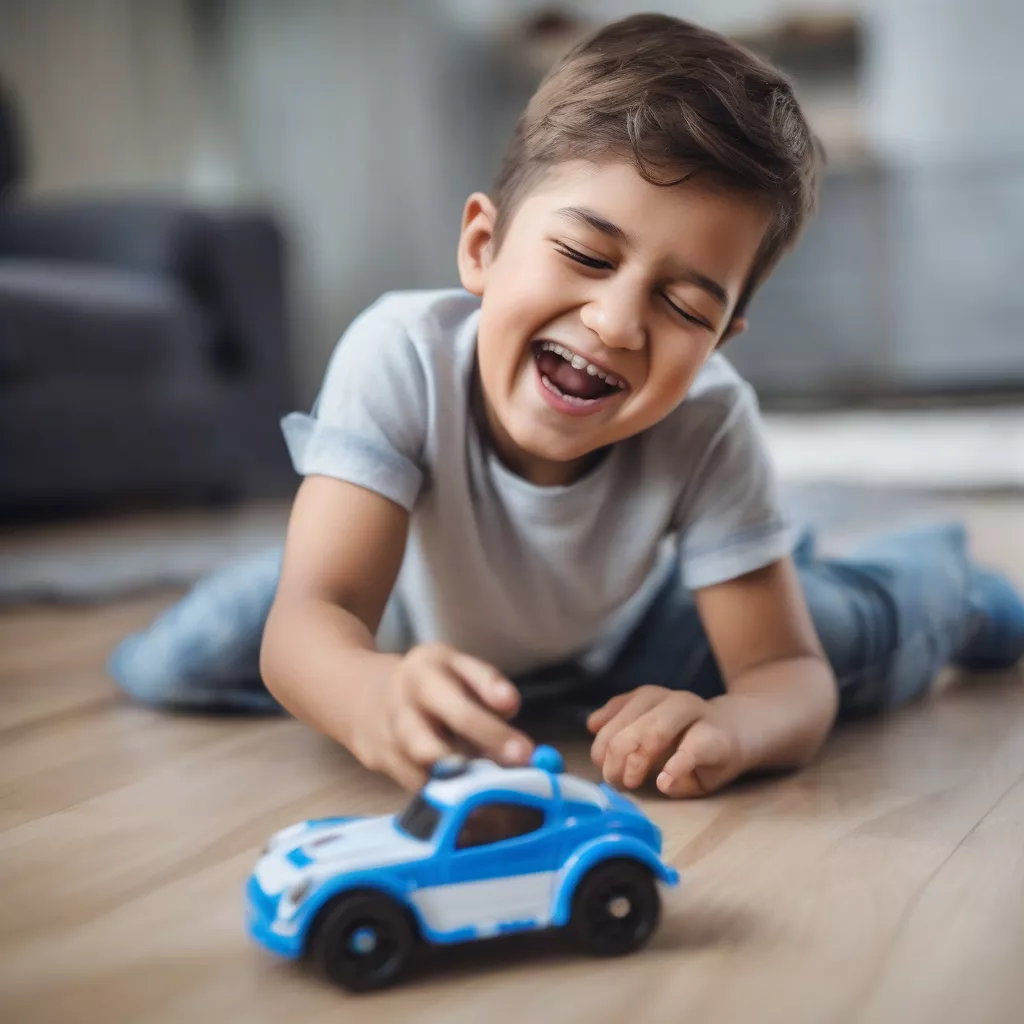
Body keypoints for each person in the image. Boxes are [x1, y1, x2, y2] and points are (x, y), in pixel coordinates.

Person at [109, 14, 1024, 799]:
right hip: (406, 615)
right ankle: (348, 522)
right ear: (483, 246)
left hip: (634, 639)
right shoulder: (399, 353)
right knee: (184, 660)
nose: (619, 322)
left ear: (720, 339)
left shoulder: (709, 419)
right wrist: (367, 694)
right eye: (587, 256)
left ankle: (953, 590)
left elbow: (785, 678)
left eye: (684, 306)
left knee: (839, 642)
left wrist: (735, 726)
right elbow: (313, 626)